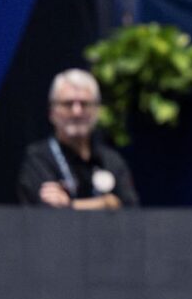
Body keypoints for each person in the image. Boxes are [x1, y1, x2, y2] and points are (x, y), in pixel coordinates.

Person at [17, 69, 139, 209]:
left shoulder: (111, 161)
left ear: (97, 110)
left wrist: (69, 205)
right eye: (68, 104)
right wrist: (105, 203)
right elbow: (43, 211)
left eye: (85, 104)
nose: (77, 112)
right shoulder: (38, 159)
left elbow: (130, 211)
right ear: (52, 112)